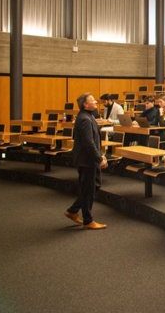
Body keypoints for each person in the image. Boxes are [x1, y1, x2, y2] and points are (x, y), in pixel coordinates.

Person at [64, 92, 108, 229]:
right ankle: (88, 221)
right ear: (85, 104)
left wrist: (100, 155)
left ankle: (72, 211)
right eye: (92, 100)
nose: (96, 102)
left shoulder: (88, 116)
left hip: (88, 159)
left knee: (93, 186)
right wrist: (99, 157)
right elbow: (88, 142)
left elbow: (93, 140)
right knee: (89, 188)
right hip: (86, 160)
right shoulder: (84, 119)